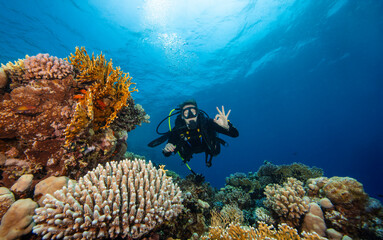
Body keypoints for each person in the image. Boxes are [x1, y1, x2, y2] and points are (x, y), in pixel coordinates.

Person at [161, 99, 239, 167]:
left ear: (197, 113)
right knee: (183, 152)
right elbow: (167, 154)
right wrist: (167, 148)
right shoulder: (178, 130)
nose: (190, 116)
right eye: (186, 113)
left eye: (193, 112)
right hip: (189, 150)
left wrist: (227, 127)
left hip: (207, 146)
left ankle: (212, 146)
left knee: (215, 151)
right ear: (182, 116)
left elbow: (235, 134)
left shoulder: (207, 122)